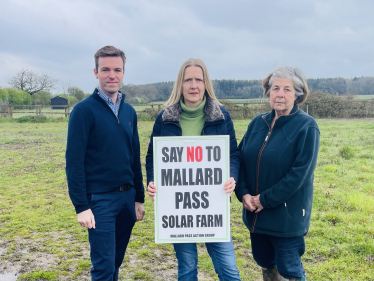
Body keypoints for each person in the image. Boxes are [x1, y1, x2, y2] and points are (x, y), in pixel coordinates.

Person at [146, 58, 241, 281]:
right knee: (187, 269)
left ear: (206, 83)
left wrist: (232, 177)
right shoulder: (165, 118)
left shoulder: (221, 115)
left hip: (213, 206)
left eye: (199, 79)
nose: (193, 86)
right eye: (188, 80)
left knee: (229, 270)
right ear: (180, 84)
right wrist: (152, 181)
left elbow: (233, 154)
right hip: (177, 209)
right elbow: (153, 157)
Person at [65, 45, 145, 281]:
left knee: (115, 261)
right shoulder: (83, 111)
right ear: (96, 72)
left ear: (123, 72)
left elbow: (134, 156)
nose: (112, 75)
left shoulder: (129, 111)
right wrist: (81, 206)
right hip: (99, 201)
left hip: (127, 199)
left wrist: (138, 197)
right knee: (103, 267)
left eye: (117, 70)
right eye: (106, 69)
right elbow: (74, 162)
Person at [235, 66, 320, 281]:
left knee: (289, 269)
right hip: (255, 214)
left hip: (286, 219)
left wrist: (265, 199)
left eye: (287, 89)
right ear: (268, 92)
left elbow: (298, 175)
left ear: (298, 94)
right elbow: (240, 160)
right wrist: (243, 193)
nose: (280, 94)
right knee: (265, 262)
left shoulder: (307, 127)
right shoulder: (257, 123)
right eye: (275, 88)